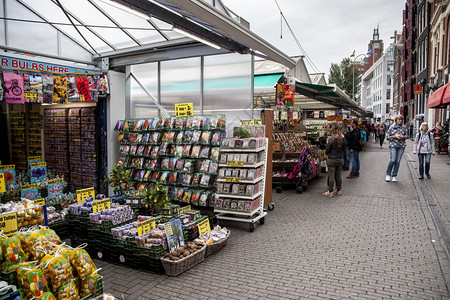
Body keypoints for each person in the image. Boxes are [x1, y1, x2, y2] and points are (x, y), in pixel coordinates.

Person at [323, 122, 346, 197]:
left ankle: (330, 191)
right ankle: (338, 190)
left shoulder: (331, 139)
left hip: (332, 159)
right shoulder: (342, 138)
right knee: (338, 175)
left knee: (331, 175)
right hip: (339, 159)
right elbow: (344, 149)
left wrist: (327, 152)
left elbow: (327, 149)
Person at [385, 114, 408, 182]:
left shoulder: (404, 127)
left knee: (398, 161)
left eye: (401, 120)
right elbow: (387, 137)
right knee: (393, 160)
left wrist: (403, 137)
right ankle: (388, 174)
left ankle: (394, 175)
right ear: (396, 120)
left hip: (401, 146)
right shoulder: (392, 127)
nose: (400, 121)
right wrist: (394, 137)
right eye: (399, 119)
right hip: (393, 145)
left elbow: (407, 136)